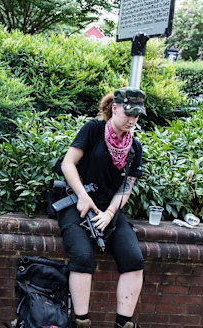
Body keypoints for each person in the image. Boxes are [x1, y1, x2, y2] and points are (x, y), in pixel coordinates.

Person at [58, 87, 146, 328]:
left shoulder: (134, 147)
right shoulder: (94, 130)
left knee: (134, 261)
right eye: (129, 113)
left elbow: (126, 188)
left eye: (137, 116)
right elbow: (68, 164)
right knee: (82, 257)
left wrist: (109, 214)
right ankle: (82, 322)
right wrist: (83, 196)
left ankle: (123, 323)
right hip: (78, 203)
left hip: (110, 210)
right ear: (115, 108)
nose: (132, 120)